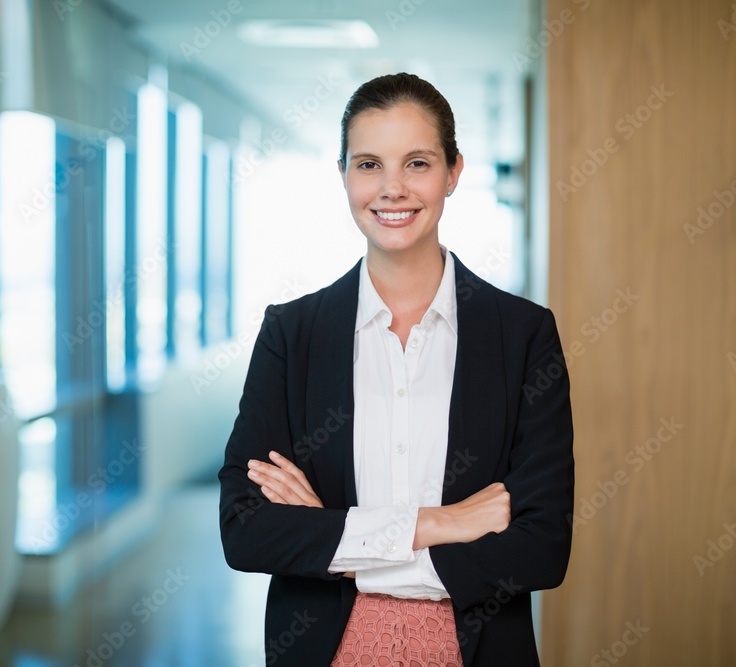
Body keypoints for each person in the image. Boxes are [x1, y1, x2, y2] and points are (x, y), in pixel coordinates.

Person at [219, 72, 574, 667]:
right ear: (342, 175)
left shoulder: (523, 335)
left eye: (417, 163)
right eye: (368, 164)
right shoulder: (291, 335)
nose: (391, 189)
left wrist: (338, 538)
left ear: (453, 172)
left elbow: (541, 549)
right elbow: (247, 531)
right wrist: (443, 524)